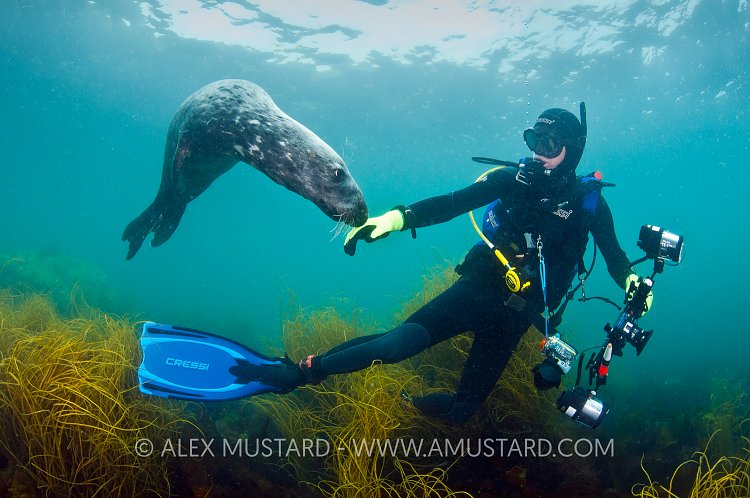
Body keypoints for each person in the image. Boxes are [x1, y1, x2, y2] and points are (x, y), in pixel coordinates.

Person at [137, 104, 652, 421]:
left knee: (460, 412)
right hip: (482, 286)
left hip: (523, 316)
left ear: (573, 149)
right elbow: (447, 204)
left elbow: (614, 260)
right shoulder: (510, 182)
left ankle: (408, 404)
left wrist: (633, 282)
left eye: (550, 144)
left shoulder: (589, 203)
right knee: (397, 342)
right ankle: (294, 372)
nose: (539, 154)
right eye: (533, 142)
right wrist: (392, 220)